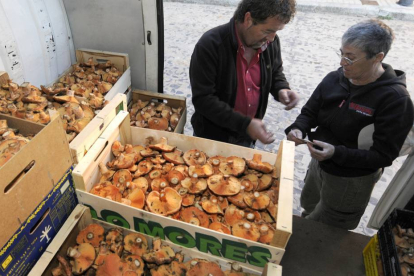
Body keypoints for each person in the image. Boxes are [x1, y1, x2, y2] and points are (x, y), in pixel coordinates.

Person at [285, 19, 414, 230]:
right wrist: (298, 128)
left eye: (351, 58)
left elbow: (384, 156)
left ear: (378, 57)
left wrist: (337, 153)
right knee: (308, 213)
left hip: (350, 182)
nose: (342, 62)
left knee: (327, 231)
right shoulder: (335, 78)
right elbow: (309, 112)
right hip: (318, 165)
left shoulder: (396, 100)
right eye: (341, 54)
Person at [189, 0, 299, 147]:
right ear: (248, 19)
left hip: (246, 138)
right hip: (211, 138)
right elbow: (203, 99)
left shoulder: (271, 42)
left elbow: (275, 71)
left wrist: (281, 88)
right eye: (267, 31)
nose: (272, 38)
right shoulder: (210, 45)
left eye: (276, 31)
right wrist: (245, 124)